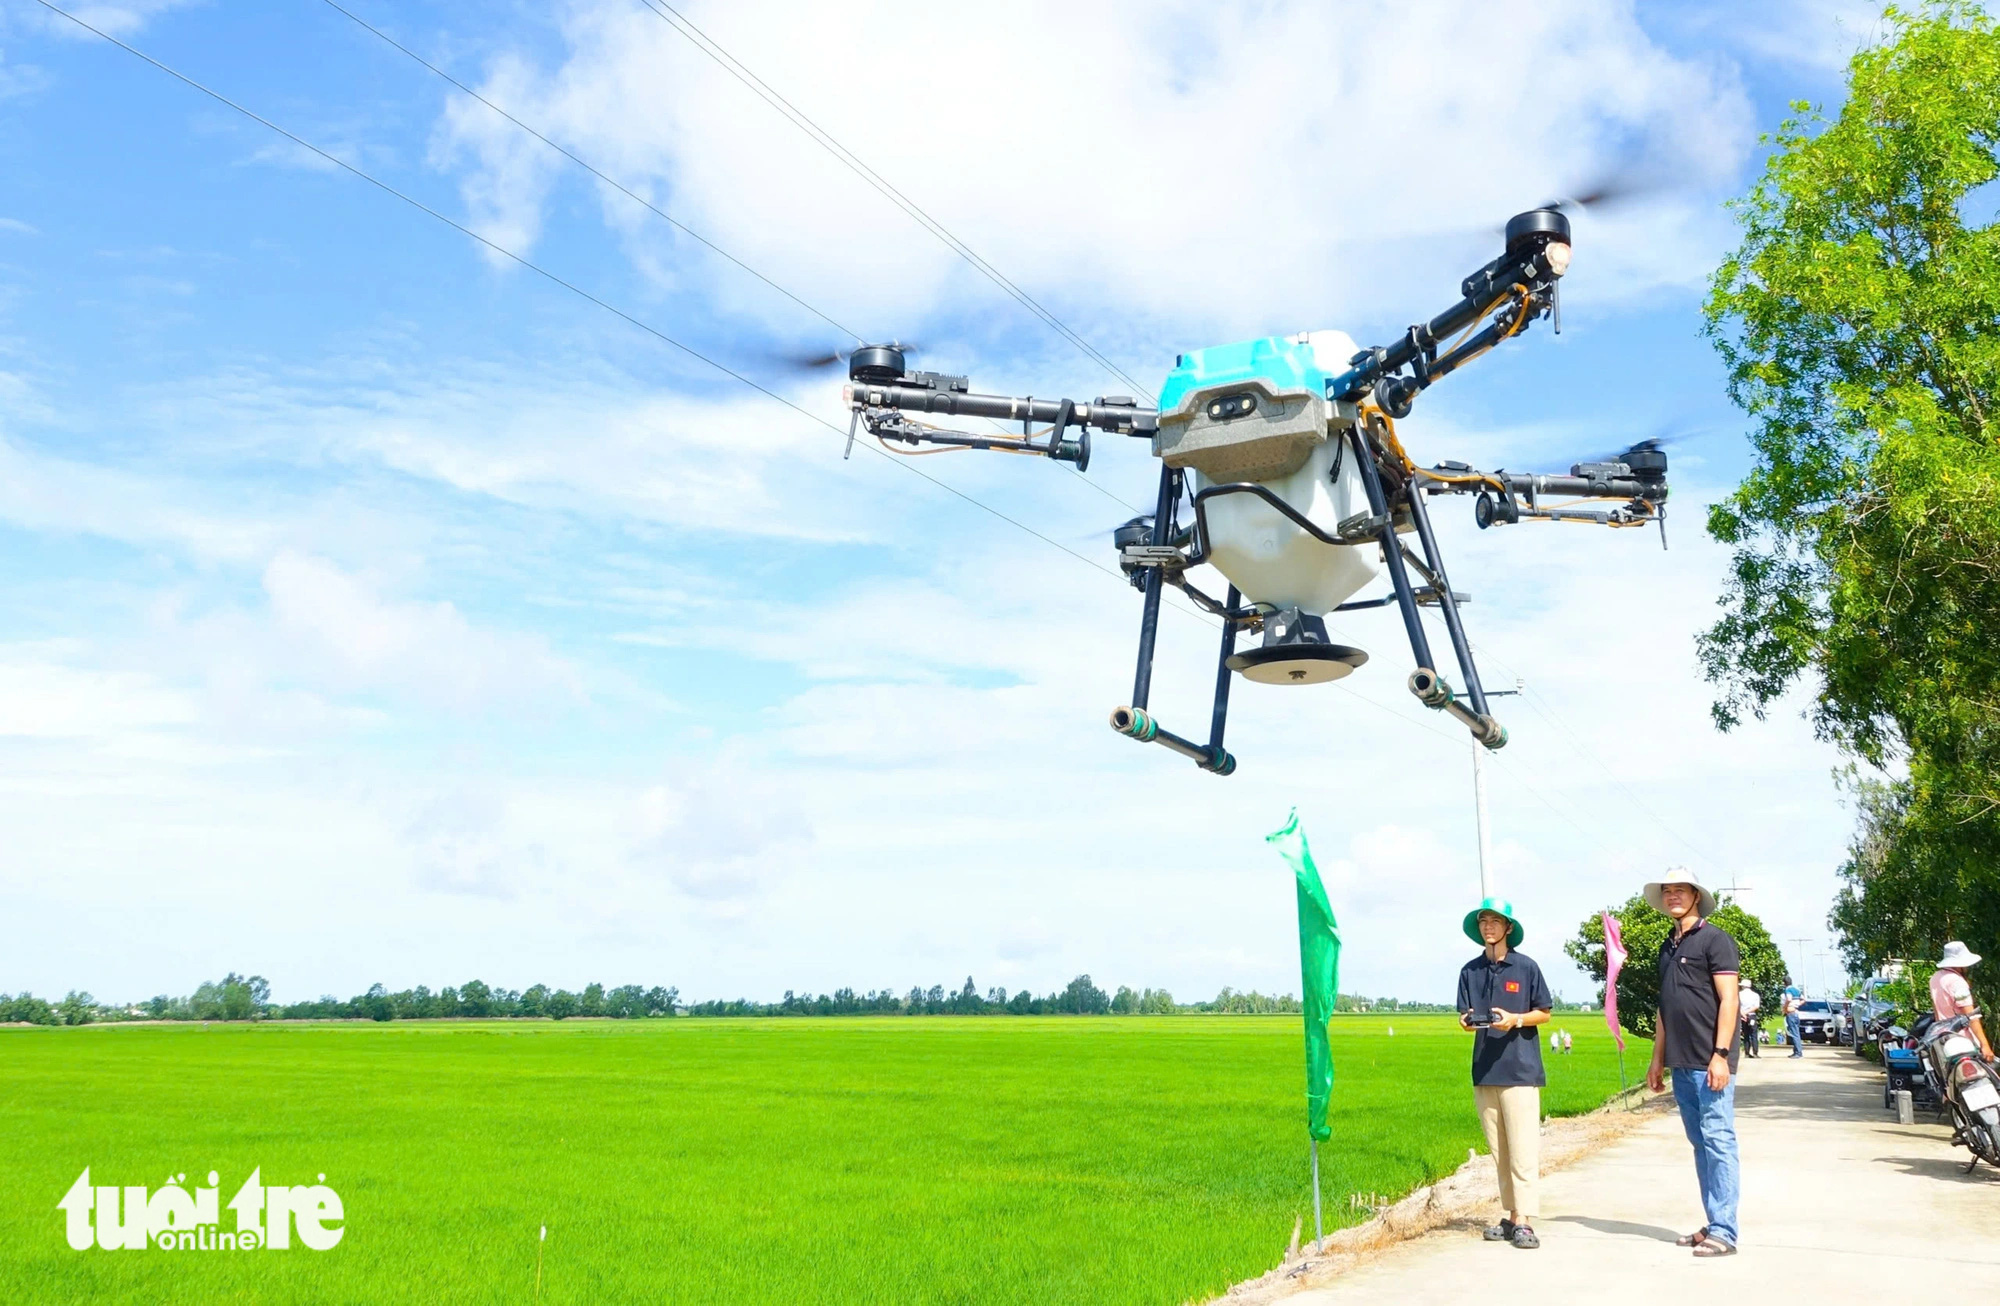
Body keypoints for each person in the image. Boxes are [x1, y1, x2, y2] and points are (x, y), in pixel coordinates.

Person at [1643, 867, 1741, 1258]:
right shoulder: (1667, 947)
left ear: (1695, 895)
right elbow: (1665, 1009)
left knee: (1719, 1141)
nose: (1673, 897)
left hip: (1709, 1061)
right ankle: (1713, 1221)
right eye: (1667, 891)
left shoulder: (1716, 940)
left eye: (1680, 890)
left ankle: (1726, 1231)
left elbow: (1729, 1000)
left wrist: (1720, 1055)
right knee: (1700, 1143)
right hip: (1680, 1062)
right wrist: (1657, 1058)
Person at [1455, 897, 1553, 1251]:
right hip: (1485, 1069)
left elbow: (1545, 1012)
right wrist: (1467, 1023)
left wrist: (1516, 1020)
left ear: (1508, 928)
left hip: (1521, 1070)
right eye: (1483, 921)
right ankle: (1511, 1214)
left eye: (1495, 921)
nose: (1488, 927)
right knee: (1500, 1151)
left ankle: (1525, 1220)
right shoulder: (1470, 970)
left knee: (1524, 1148)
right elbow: (1464, 1015)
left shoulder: (1526, 968)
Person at [1931, 942, 1995, 1061]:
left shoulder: (1935, 978)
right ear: (1960, 965)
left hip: (1943, 1041)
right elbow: (1971, 1017)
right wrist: (1985, 1045)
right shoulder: (1957, 982)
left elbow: (1936, 1012)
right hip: (1963, 1042)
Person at [1739, 983, 1761, 1058]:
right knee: (1754, 1034)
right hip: (1752, 1015)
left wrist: (1743, 1013)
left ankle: (1747, 1053)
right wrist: (1748, 1012)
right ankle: (1755, 1052)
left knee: (1746, 1034)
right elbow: (1757, 1006)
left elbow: (1737, 1005)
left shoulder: (1739, 994)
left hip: (1743, 1016)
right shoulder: (1755, 995)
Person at [1781, 985, 1804, 1057]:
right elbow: (1803, 999)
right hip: (1796, 1013)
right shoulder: (1797, 990)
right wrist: (1796, 1005)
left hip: (1791, 1014)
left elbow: (1789, 999)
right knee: (1796, 1033)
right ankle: (1796, 1051)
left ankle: (1798, 1052)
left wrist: (1785, 1007)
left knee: (1794, 1034)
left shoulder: (1788, 990)